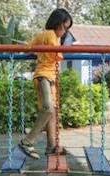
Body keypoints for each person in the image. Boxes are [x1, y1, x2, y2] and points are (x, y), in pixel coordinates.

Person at [18, 8, 73, 159]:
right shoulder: (50, 35)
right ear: (59, 23)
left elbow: (26, 49)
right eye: (65, 27)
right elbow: (58, 55)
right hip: (44, 76)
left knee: (52, 114)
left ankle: (52, 146)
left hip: (48, 78)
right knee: (48, 109)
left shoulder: (43, 35)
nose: (65, 31)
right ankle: (27, 141)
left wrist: (36, 51)